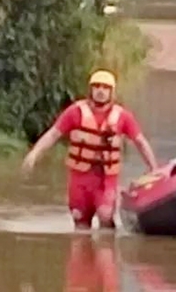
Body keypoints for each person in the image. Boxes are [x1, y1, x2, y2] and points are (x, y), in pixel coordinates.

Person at [21, 69, 159, 230]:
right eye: (97, 86)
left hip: (106, 178)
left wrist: (153, 168)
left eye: (105, 87)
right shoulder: (75, 112)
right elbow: (53, 134)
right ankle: (83, 252)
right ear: (91, 90)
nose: (101, 91)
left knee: (105, 215)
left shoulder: (123, 116)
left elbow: (140, 141)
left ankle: (107, 249)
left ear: (112, 92)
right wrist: (34, 154)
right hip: (80, 178)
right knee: (80, 220)